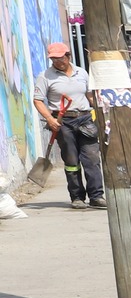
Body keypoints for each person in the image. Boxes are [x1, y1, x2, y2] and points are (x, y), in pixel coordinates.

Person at [32, 43, 103, 211]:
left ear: (68, 56)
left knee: (92, 158)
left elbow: (89, 95)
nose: (58, 61)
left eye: (61, 58)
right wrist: (50, 119)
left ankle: (96, 196)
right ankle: (77, 197)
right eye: (54, 59)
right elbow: (38, 100)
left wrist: (100, 112)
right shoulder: (45, 76)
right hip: (63, 122)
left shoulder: (82, 73)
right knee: (71, 161)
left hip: (84, 118)